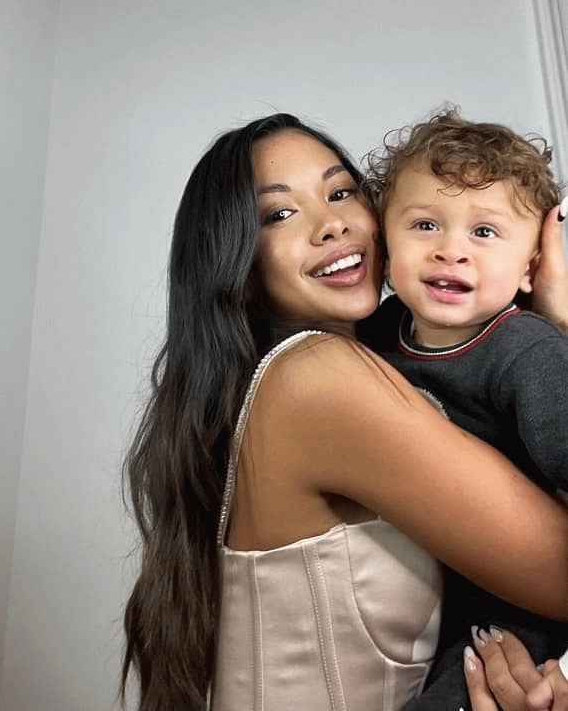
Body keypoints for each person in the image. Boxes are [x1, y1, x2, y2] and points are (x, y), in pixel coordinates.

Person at [120, 113, 568, 711]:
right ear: (237, 262)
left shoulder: (340, 364)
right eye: (279, 214)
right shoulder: (318, 379)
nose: (331, 224)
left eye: (339, 193)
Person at [362, 110, 568, 711]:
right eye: (425, 224)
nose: (450, 250)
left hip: (515, 615)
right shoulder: (374, 335)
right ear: (385, 247)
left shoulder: (525, 351)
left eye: (484, 232)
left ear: (531, 267)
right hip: (421, 597)